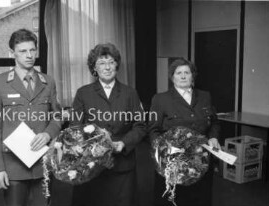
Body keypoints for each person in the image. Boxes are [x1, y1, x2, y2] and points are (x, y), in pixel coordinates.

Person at [0, 28, 62, 206]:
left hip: (43, 164)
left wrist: (48, 134)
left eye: (32, 50)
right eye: (22, 51)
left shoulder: (48, 81)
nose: (29, 55)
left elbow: (57, 115)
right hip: (14, 167)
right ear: (12, 53)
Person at [71, 43, 147, 206]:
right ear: (94, 68)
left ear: (117, 65)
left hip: (122, 165)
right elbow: (75, 127)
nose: (107, 67)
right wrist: (92, 142)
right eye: (101, 63)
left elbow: (140, 126)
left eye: (111, 62)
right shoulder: (83, 93)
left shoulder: (130, 93)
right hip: (92, 165)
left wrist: (124, 143)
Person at [148, 58, 221, 206]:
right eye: (178, 73)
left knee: (200, 199)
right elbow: (153, 130)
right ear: (172, 77)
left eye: (186, 73)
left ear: (192, 76)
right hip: (173, 162)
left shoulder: (205, 96)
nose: (182, 76)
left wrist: (213, 137)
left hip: (202, 161)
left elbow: (214, 122)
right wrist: (165, 149)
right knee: (175, 200)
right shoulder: (160, 99)